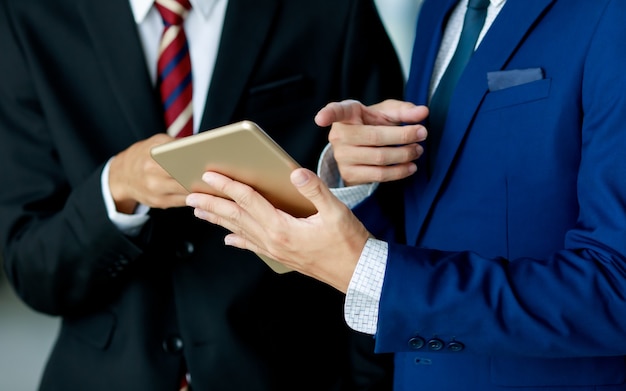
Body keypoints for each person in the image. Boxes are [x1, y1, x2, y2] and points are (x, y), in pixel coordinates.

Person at [184, 0, 626, 390]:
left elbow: (615, 288)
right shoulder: (439, 10)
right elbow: (432, 229)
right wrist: (358, 178)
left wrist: (367, 271)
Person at [0, 0, 405, 390]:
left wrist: (366, 382)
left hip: (290, 372)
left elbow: (393, 215)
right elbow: (32, 267)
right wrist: (115, 188)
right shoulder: (30, 14)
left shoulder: (334, 9)